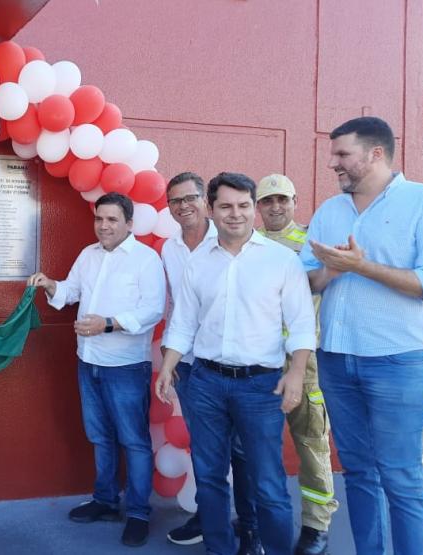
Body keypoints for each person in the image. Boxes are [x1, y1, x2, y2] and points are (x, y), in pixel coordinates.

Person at [300, 116, 423, 555]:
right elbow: (305, 280)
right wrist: (331, 271)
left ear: (375, 154)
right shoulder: (330, 211)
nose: (332, 163)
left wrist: (361, 267)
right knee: (358, 473)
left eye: (342, 153)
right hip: (336, 359)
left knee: (400, 478)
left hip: (399, 361)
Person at [156, 172, 315, 555]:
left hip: (261, 387)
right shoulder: (198, 262)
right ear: (211, 209)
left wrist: (296, 373)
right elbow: (184, 322)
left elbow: (301, 324)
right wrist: (168, 365)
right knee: (210, 478)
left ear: (253, 208)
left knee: (268, 484)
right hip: (206, 383)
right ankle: (219, 549)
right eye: (226, 206)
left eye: (244, 205)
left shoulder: (281, 260)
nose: (236, 214)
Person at [28, 192, 166, 548]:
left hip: (125, 367)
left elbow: (153, 309)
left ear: (129, 224)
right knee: (100, 437)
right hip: (88, 362)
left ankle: (138, 513)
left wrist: (107, 323)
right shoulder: (88, 254)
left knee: (134, 441)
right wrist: (51, 285)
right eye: (99, 218)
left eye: (112, 220)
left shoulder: (146, 259)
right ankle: (105, 501)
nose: (104, 226)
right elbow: (71, 291)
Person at [160, 172, 261, 553]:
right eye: (175, 201)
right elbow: (177, 307)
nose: (183, 206)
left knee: (243, 452)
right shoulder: (170, 248)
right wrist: (170, 358)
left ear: (206, 201)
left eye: (190, 198)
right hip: (189, 365)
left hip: (234, 365)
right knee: (206, 451)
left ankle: (250, 528)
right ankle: (209, 519)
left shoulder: (229, 241)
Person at [255, 174, 338, 555]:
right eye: (267, 201)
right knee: (256, 446)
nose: (275, 207)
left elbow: (321, 283)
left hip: (303, 362)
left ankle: (316, 525)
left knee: (310, 443)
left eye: (282, 200)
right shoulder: (249, 243)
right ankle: (258, 517)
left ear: (294, 201)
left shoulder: (311, 243)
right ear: (258, 206)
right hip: (258, 360)